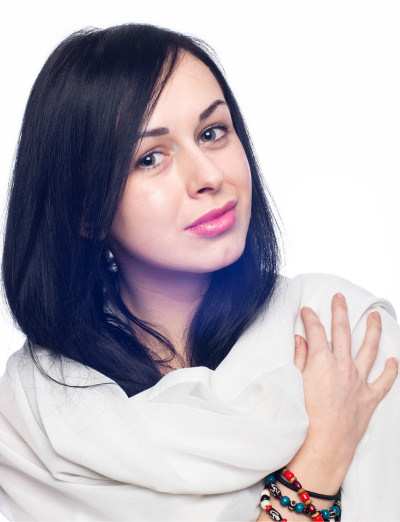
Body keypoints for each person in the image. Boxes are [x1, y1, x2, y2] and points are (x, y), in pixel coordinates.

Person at [0, 23, 399, 522]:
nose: (210, 176)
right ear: (85, 211)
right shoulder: (31, 417)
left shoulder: (343, 335)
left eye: (212, 133)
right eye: (150, 158)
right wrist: (318, 466)